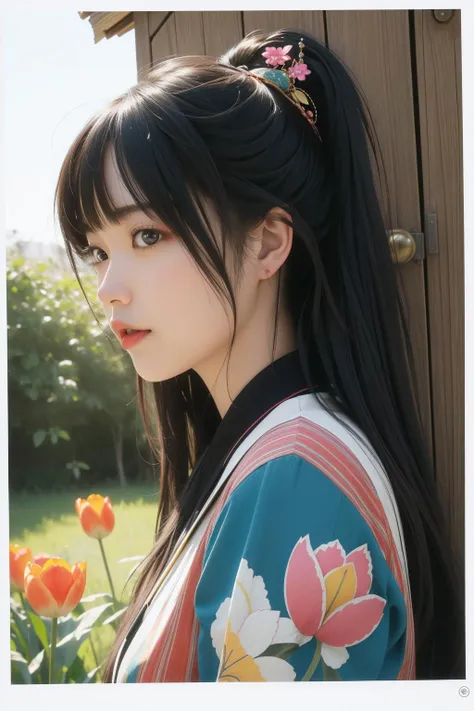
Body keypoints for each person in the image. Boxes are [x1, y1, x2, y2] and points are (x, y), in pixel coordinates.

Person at [54, 28, 463, 682]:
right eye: (98, 250)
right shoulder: (275, 458)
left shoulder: (295, 480)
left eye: (147, 234)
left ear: (269, 245)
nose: (108, 288)